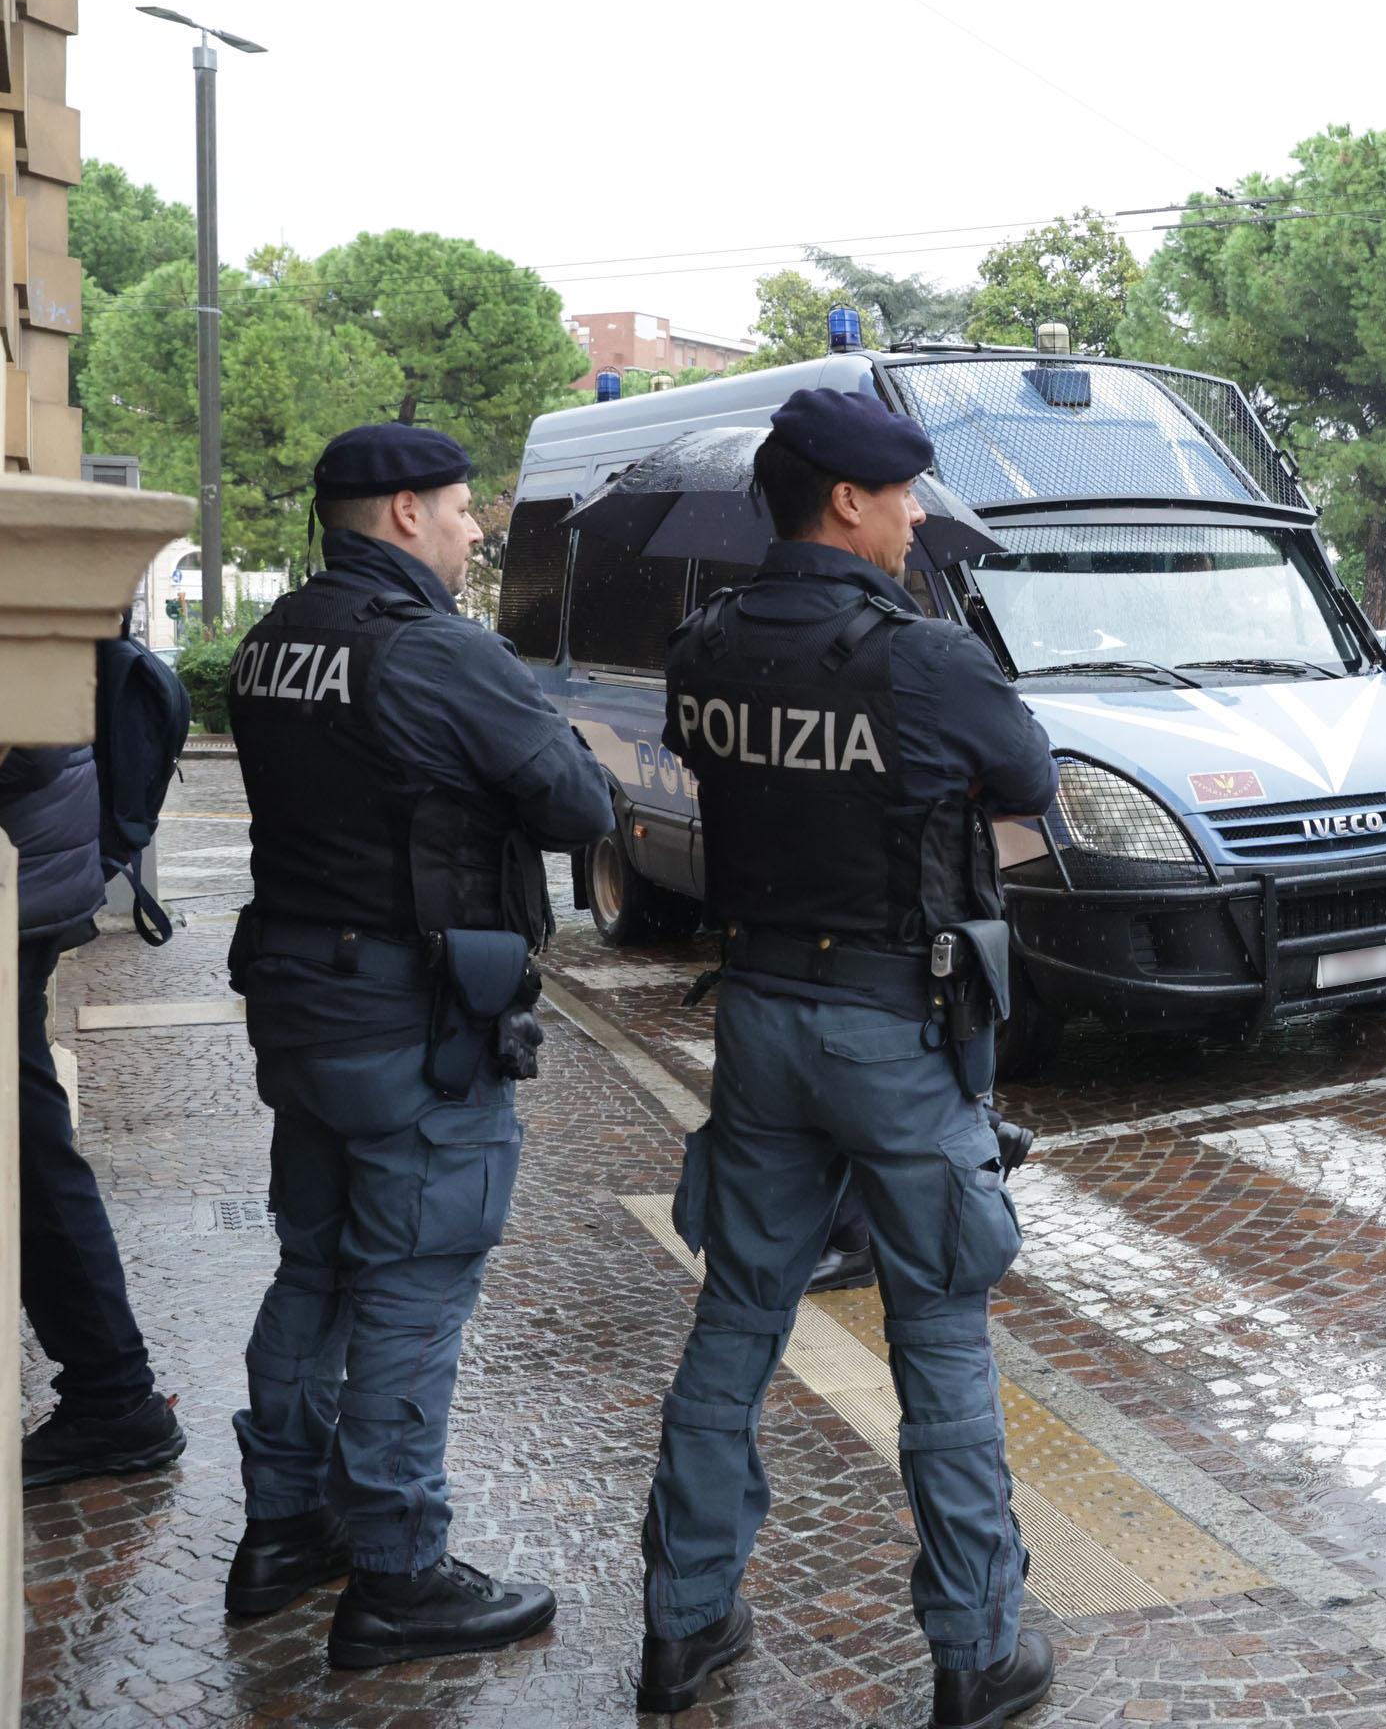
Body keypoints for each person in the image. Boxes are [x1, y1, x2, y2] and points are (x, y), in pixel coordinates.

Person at [634, 384, 1059, 1726]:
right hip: (894, 1025)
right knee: (937, 1321)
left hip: (759, 1014)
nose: (919, 516)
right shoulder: (922, 656)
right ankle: (976, 1647)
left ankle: (682, 1624)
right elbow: (1029, 783)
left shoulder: (703, 644)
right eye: (905, 495)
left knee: (739, 1315)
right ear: (846, 501)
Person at [225, 423, 614, 1662]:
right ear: (401, 513)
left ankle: (284, 1526)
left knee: (317, 1267)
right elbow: (579, 804)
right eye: (458, 511)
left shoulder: (274, 639)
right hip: (410, 1015)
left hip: (301, 999)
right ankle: (396, 1572)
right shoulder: (436, 650)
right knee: (412, 1279)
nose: (472, 530)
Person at [4, 742, 182, 1488]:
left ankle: (114, 1397)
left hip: (24, 869)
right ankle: (112, 1394)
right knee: (27, 1140)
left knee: (26, 1148)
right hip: (36, 865)